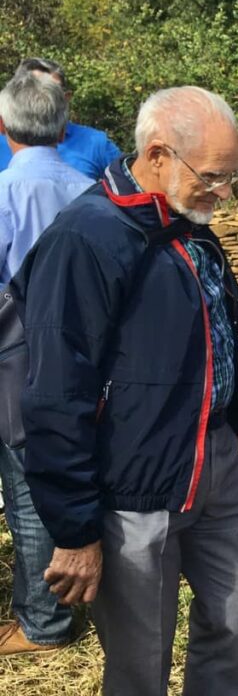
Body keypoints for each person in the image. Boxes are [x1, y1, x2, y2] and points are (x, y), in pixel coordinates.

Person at [15, 86, 238, 695]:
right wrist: (75, 529)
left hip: (213, 457)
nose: (224, 193)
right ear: (156, 155)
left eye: (231, 176)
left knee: (235, 617)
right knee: (140, 657)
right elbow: (55, 394)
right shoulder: (87, 238)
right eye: (213, 176)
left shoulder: (184, 220)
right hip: (134, 483)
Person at [0, 70, 93, 655]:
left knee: (28, 487)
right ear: (63, 126)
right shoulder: (94, 192)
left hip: (22, 361)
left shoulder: (4, 194)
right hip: (91, 360)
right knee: (81, 471)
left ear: (4, 126)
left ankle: (44, 622)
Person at [0, 58, 121, 178]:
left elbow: (127, 183)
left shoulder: (95, 143)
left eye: (54, 90)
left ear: (66, 98)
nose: (43, 96)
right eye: (32, 89)